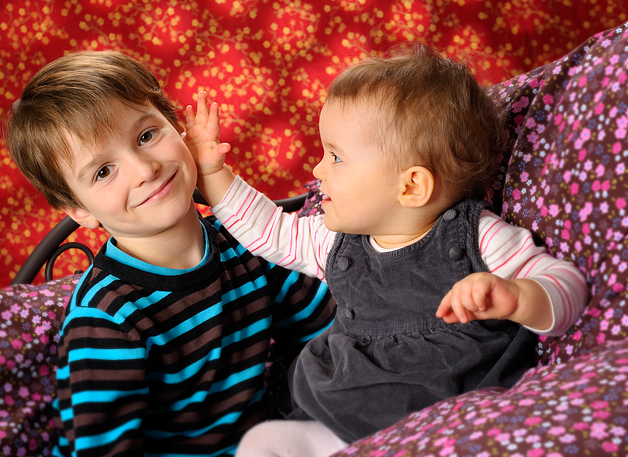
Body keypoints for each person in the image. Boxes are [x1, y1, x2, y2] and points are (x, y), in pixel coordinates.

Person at [185, 43, 589, 457]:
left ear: (411, 186)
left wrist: (519, 297)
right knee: (262, 443)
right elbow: (268, 230)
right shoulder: (335, 240)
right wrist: (214, 172)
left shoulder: (481, 240)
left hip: (450, 425)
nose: (317, 170)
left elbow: (568, 287)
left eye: (336, 157)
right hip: (345, 422)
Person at [2, 50, 337, 457]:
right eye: (103, 171)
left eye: (146, 136)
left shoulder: (248, 241)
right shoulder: (107, 319)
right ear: (80, 211)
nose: (145, 170)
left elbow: (328, 332)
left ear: (177, 128)